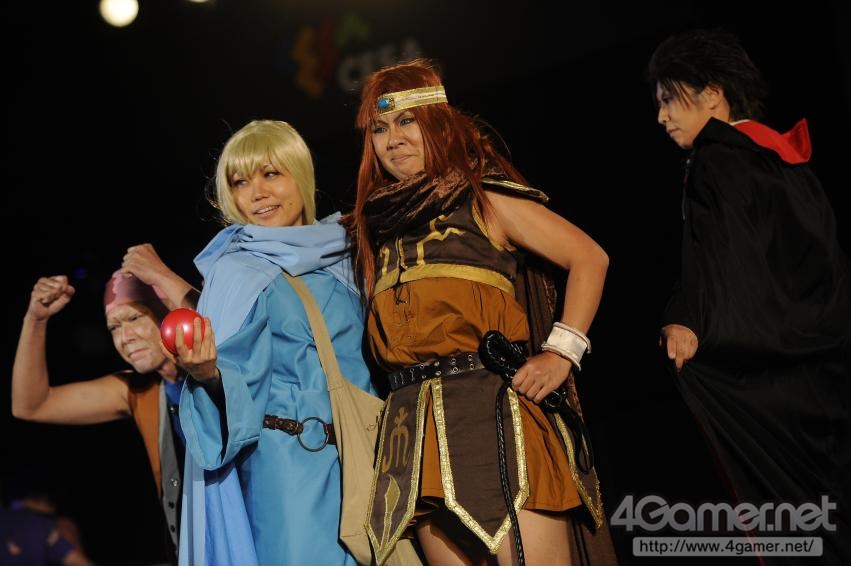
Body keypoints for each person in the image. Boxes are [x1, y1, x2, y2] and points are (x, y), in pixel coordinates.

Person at [345, 59, 617, 565]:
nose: (392, 140)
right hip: (415, 432)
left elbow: (588, 258)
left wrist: (561, 353)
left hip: (494, 416)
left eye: (406, 121)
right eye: (379, 129)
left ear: (437, 122)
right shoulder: (374, 230)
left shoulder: (483, 199)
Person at [648, 28, 851, 562]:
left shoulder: (718, 160)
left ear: (713, 94)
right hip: (829, 356)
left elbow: (719, 256)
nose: (662, 117)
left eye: (669, 99)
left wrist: (687, 319)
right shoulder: (780, 155)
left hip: (776, 373)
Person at [176, 120, 377, 566]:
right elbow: (236, 380)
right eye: (241, 182)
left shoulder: (350, 253)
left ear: (300, 175)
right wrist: (209, 375)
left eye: (271, 174)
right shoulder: (237, 270)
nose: (257, 193)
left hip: (373, 461)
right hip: (291, 471)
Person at [11, 245, 199, 563]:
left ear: (166, 311)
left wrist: (161, 275)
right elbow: (31, 405)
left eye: (134, 317)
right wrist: (35, 319)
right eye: (114, 327)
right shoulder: (140, 390)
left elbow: (220, 331)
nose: (125, 337)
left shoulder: (220, 366)